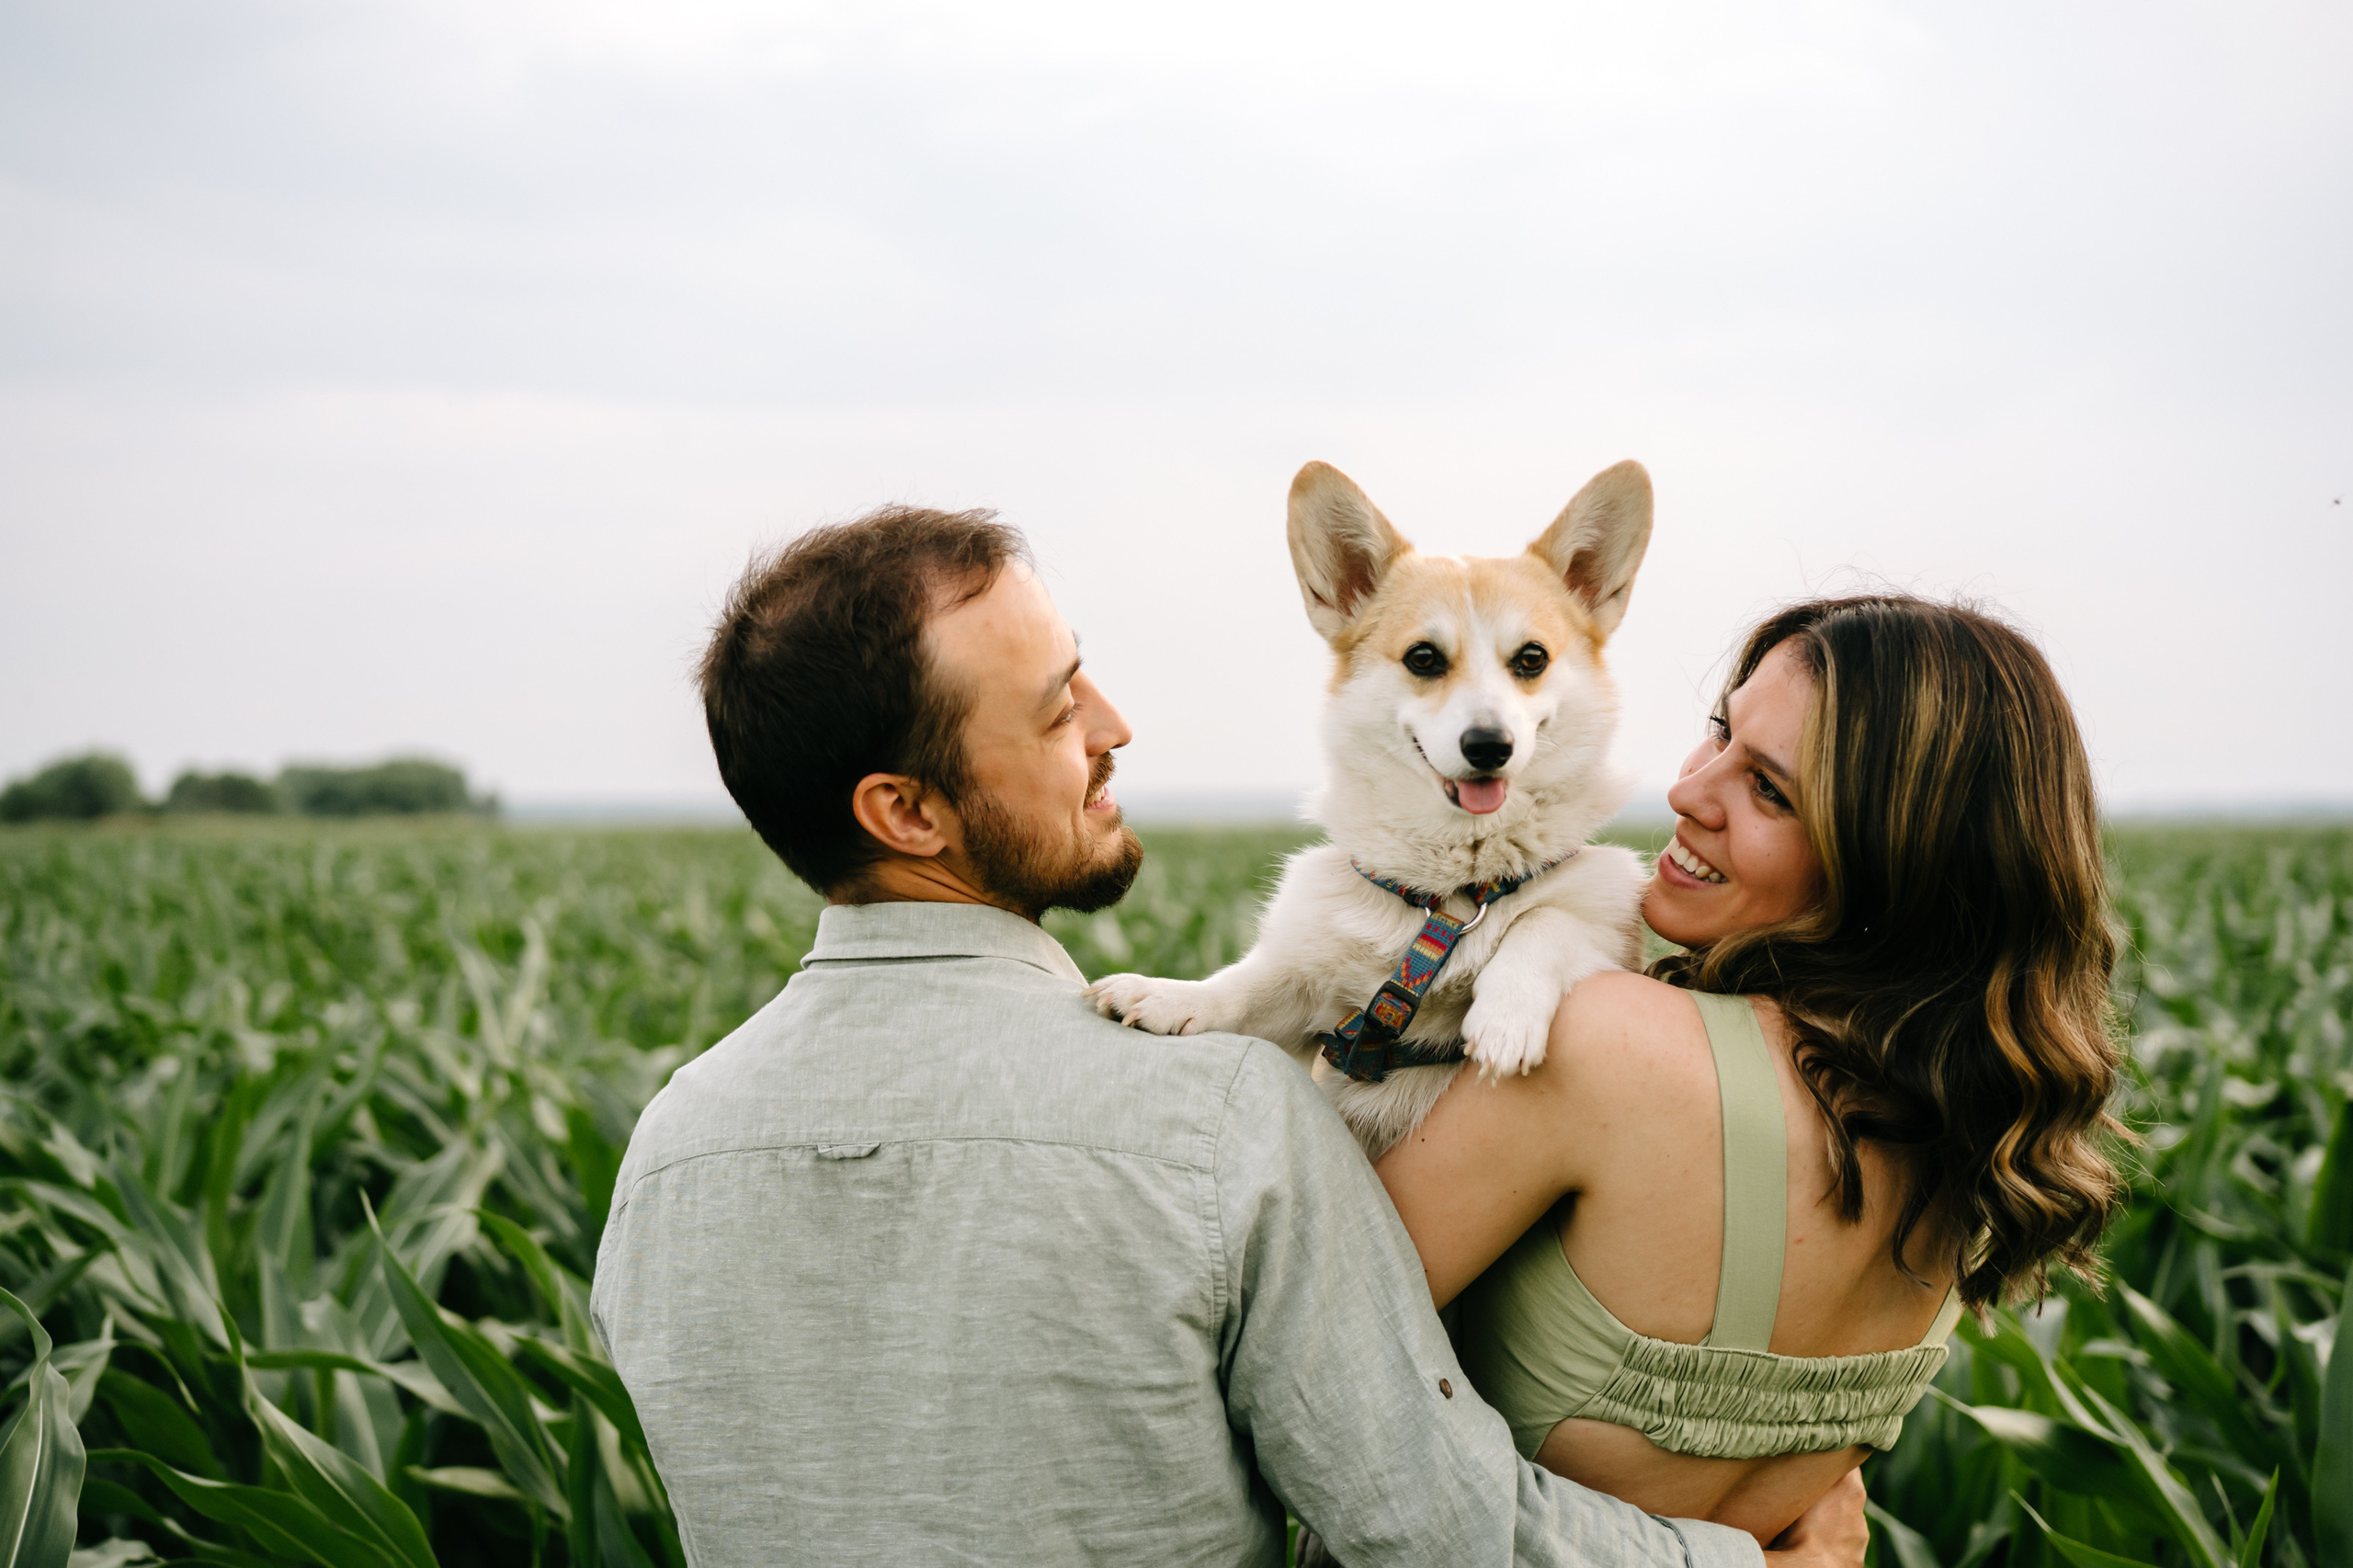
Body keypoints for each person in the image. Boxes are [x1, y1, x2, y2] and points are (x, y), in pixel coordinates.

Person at [590, 506, 1869, 1566]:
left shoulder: (666, 1151)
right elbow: (1432, 1522)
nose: (1116, 724)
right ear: (906, 812)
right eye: (1056, 708)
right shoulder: (1222, 1118)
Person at [1375, 596, 2123, 1546]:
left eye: (1769, 790)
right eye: (1720, 731)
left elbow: (1293, 1340)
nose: (1689, 791)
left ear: (1892, 859)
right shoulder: (1975, 1152)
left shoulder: (1605, 1043)